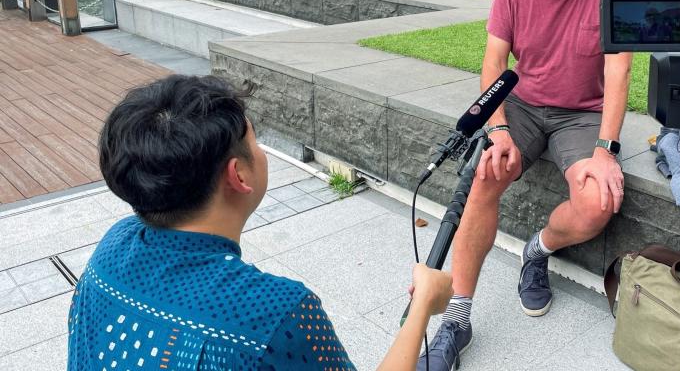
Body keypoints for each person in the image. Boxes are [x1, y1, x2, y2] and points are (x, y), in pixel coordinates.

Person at [68, 75, 453, 371]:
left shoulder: (112, 247)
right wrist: (422, 308)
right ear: (238, 175)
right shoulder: (273, 312)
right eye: (256, 142)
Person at [417, 0, 636, 370]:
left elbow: (619, 70)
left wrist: (606, 148)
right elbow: (494, 63)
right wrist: (496, 129)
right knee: (484, 175)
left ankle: (538, 249)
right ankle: (457, 316)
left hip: (583, 114)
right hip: (522, 105)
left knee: (599, 202)